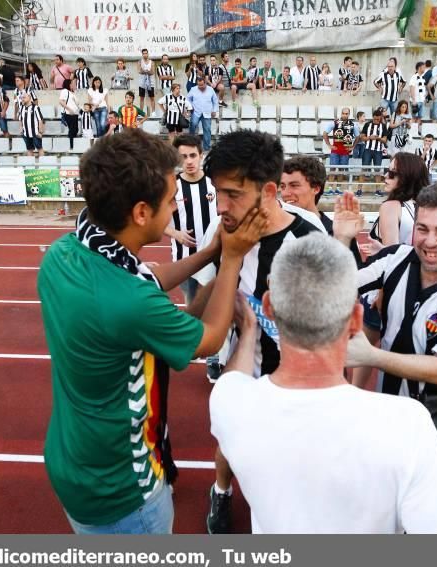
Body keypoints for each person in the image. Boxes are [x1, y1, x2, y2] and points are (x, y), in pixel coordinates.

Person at [38, 128, 267, 535]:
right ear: (142, 213)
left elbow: (149, 278)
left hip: (72, 458)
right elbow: (209, 339)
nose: (176, 204)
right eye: (170, 199)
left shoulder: (65, 252)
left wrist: (210, 253)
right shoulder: (129, 303)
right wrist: (231, 259)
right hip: (124, 487)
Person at [210, 233, 437, 534]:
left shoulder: (230, 402)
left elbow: (234, 379)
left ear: (268, 306)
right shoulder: (409, 424)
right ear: (356, 320)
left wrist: (249, 330)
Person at [333, 182, 437, 517]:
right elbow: (338, 284)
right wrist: (342, 240)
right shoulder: (397, 258)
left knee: (432, 504)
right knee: (387, 496)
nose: (429, 241)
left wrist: (371, 356)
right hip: (392, 406)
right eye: (422, 229)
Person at [193, 130, 326, 534]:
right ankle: (222, 490)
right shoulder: (222, 232)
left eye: (233, 194)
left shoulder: (308, 240)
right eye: (217, 193)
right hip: (242, 372)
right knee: (230, 442)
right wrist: (223, 258)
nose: (221, 206)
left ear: (269, 191)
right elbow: (196, 319)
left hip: (297, 384)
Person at [352, 153, 431, 391]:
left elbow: (392, 254)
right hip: (418, 289)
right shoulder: (426, 207)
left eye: (393, 173)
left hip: (384, 290)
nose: (385, 176)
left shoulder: (391, 206)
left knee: (360, 355)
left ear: (406, 177)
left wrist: (380, 251)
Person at [280, 155, 361, 264]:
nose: (285, 193)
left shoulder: (338, 232)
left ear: (316, 188)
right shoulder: (272, 229)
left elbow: (354, 277)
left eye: (294, 185)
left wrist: (343, 239)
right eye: (283, 186)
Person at [166, 133, 218, 303]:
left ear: (201, 155)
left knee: (219, 304)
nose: (189, 161)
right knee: (193, 306)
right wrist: (176, 234)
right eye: (184, 157)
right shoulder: (171, 186)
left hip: (216, 255)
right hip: (186, 260)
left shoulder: (215, 182)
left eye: (193, 155)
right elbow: (155, 221)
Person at [322, 107, 360, 195]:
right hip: (335, 150)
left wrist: (353, 147)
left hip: (345, 151)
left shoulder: (353, 125)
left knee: (341, 170)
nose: (345, 115)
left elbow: (358, 137)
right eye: (343, 113)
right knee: (332, 169)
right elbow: (325, 133)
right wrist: (329, 145)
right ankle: (330, 188)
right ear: (341, 113)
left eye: (346, 114)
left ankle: (338, 188)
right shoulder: (334, 123)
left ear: (349, 114)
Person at [186, 76, 218, 152]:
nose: (200, 87)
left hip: (207, 112)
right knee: (193, 125)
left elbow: (215, 101)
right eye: (199, 85)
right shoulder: (193, 89)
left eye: (202, 85)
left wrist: (214, 110)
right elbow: (187, 99)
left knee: (207, 129)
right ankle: (191, 144)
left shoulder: (210, 90)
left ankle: (206, 148)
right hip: (196, 112)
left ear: (205, 83)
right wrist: (191, 107)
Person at [19, 93, 44, 157]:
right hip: (26, 133)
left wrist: (40, 132)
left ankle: (43, 165)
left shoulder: (35, 107)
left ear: (29, 97)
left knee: (39, 148)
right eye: (21, 98)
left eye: (24, 97)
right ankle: (30, 165)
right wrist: (21, 128)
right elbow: (20, 119)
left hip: (35, 133)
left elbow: (40, 120)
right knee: (29, 149)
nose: (22, 99)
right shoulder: (22, 108)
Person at [59, 78, 80, 148]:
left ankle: (73, 145)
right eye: (71, 83)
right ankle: (71, 146)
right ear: (68, 84)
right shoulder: (65, 91)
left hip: (75, 114)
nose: (73, 84)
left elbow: (77, 103)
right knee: (72, 130)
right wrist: (69, 109)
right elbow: (61, 102)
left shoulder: (73, 93)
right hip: (69, 114)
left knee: (76, 129)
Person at [137, 48, 155, 114]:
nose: (145, 55)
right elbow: (139, 71)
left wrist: (144, 71)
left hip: (150, 83)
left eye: (146, 53)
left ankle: (153, 112)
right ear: (142, 54)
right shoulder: (139, 62)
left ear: (148, 54)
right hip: (142, 83)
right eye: (143, 53)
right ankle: (141, 112)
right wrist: (147, 71)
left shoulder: (152, 62)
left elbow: (152, 72)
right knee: (142, 98)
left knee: (152, 97)